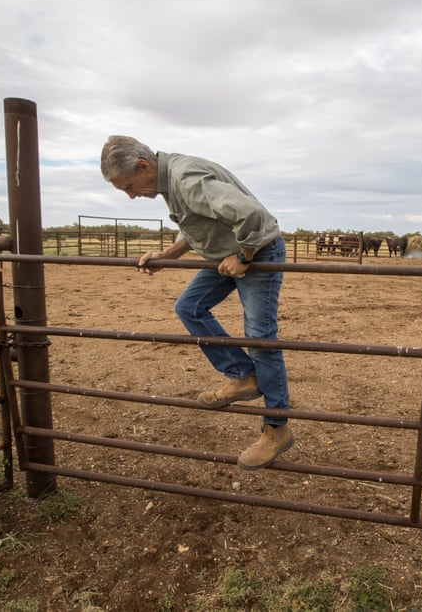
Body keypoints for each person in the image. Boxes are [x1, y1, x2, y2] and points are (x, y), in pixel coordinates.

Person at [100, 135, 293, 470]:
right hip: (226, 255)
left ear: (144, 165)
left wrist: (243, 256)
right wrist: (165, 255)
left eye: (129, 186)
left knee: (260, 337)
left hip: (257, 251)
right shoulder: (170, 181)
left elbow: (250, 214)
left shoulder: (185, 179)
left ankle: (277, 430)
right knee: (188, 307)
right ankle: (244, 376)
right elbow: (196, 225)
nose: (131, 195)